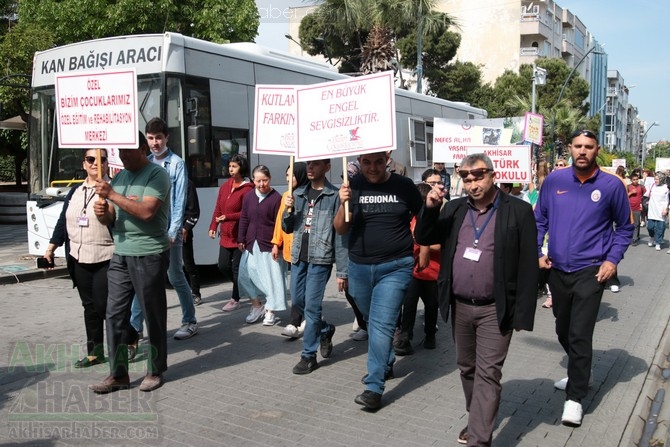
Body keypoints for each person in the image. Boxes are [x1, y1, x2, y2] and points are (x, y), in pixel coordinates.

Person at [414, 153, 538, 446]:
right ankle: (478, 417)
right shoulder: (454, 209)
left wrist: (522, 313)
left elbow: (528, 265)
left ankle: (479, 439)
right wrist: (430, 209)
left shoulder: (517, 211)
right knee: (467, 367)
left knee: (488, 373)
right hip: (460, 306)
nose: (472, 183)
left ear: (492, 175)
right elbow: (423, 235)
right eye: (466, 178)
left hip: (495, 309)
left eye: (478, 176)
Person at [535, 129, 633, 427]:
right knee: (563, 330)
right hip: (557, 270)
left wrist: (612, 260)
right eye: (577, 146)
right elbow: (539, 219)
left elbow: (625, 228)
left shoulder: (611, 185)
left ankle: (575, 398)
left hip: (591, 271)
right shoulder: (555, 180)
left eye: (588, 147)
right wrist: (538, 251)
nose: (582, 151)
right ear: (569, 148)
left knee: (579, 333)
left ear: (596, 150)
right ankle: (581, 372)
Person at [334, 151, 422, 411]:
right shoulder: (353, 186)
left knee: (381, 323)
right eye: (366, 163)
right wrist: (342, 204)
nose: (372, 168)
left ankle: (374, 387)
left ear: (387, 161)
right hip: (359, 267)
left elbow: (423, 218)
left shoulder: (403, 186)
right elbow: (340, 228)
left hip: (395, 267)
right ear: (360, 162)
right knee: (370, 320)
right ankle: (386, 361)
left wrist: (424, 246)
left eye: (378, 162)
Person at [90, 131, 171, 394]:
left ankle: (155, 369)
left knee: (152, 314)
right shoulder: (120, 177)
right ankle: (118, 374)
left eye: (127, 151)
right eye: (119, 152)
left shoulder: (157, 175)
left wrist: (111, 194)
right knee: (114, 314)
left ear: (142, 149)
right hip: (121, 253)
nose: (122, 156)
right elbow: (111, 218)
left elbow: (147, 212)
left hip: (149, 253)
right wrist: (102, 213)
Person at [128, 117, 198, 341]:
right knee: (144, 278)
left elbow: (179, 201)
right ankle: (134, 328)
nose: (155, 142)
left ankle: (190, 321)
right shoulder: (145, 162)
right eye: (150, 138)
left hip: (169, 231)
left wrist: (173, 232)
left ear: (167, 137)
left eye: (159, 137)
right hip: (148, 230)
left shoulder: (177, 163)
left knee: (175, 275)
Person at [45, 149, 114, 368]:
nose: (96, 164)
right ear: (84, 164)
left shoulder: (113, 190)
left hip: (106, 256)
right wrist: (51, 247)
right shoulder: (75, 191)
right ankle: (95, 353)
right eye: (91, 160)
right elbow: (63, 222)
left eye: (101, 160)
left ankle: (129, 336)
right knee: (89, 307)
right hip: (78, 257)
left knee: (105, 307)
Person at [282, 159, 348, 374]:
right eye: (309, 164)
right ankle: (325, 329)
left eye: (316, 164)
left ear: (327, 167)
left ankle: (308, 355)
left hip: (320, 258)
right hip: (299, 257)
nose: (310, 168)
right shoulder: (298, 193)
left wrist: (342, 271)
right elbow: (287, 227)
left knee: (312, 306)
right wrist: (287, 210)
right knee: (298, 302)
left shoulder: (334, 196)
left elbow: (340, 236)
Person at [393, 182, 440, 356]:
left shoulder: (436, 220)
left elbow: (441, 245)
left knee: (431, 305)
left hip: (432, 271)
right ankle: (405, 337)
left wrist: (423, 243)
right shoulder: (411, 219)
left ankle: (430, 336)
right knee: (409, 303)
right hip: (413, 270)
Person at [238, 165, 287, 325]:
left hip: (269, 245)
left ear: (270, 179)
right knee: (245, 276)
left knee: (271, 279)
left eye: (264, 180)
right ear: (253, 180)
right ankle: (256, 305)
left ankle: (270, 310)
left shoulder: (276, 198)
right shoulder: (249, 197)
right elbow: (244, 218)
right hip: (252, 244)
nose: (261, 184)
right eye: (258, 181)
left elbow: (279, 224)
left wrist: (277, 245)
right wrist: (241, 238)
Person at [208, 154, 254, 312]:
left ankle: (235, 299)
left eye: (234, 166)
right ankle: (243, 286)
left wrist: (228, 217)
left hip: (240, 235)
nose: (230, 169)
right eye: (229, 166)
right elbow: (218, 208)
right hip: (226, 234)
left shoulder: (248, 189)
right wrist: (213, 226)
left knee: (236, 268)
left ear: (242, 168)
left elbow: (247, 212)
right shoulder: (225, 186)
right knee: (222, 266)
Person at [272, 162, 309, 338]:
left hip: (307, 249)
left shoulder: (308, 195)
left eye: (292, 175)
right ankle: (300, 320)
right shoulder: (286, 196)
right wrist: (275, 243)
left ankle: (301, 320)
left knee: (307, 289)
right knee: (296, 289)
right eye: (287, 175)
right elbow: (281, 222)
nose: (288, 178)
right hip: (290, 250)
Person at [182, 179, 201, 304]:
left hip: (183, 231)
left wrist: (186, 228)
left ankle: (195, 292)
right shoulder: (161, 180)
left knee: (188, 263)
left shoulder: (187, 183)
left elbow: (194, 211)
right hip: (164, 230)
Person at [646, 172, 669, 251]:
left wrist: (665, 209)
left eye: (657, 179)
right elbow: (647, 194)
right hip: (652, 210)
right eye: (655, 179)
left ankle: (658, 242)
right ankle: (652, 237)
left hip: (661, 211)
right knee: (650, 227)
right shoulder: (653, 186)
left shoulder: (666, 188)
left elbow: (667, 200)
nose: (655, 180)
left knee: (660, 228)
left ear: (661, 179)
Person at [627, 173, 645, 246]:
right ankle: (633, 236)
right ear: (631, 180)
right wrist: (631, 192)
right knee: (629, 224)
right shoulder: (628, 187)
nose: (635, 181)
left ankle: (635, 239)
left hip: (637, 208)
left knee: (636, 224)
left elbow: (644, 195)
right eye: (634, 180)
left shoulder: (641, 187)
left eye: (637, 179)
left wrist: (643, 204)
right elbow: (624, 196)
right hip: (629, 208)